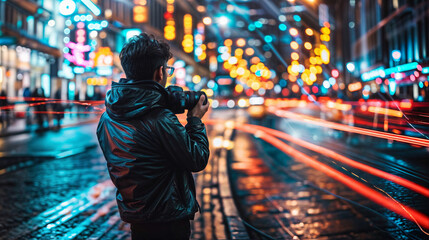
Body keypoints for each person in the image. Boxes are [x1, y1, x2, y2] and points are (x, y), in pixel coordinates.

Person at [96, 33, 210, 240]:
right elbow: (197, 158)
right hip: (168, 217)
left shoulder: (107, 117)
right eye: (167, 70)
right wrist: (195, 120)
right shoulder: (159, 118)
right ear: (160, 72)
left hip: (136, 214)